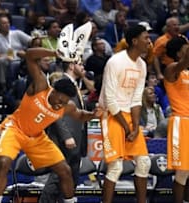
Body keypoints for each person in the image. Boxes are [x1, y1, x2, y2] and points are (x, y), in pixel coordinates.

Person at [0, 47, 102, 203]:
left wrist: (92, 115)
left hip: (37, 137)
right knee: (4, 162)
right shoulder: (40, 85)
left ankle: (70, 202)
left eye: (64, 103)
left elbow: (80, 115)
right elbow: (30, 55)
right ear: (54, 91)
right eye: (59, 100)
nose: (59, 105)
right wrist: (54, 53)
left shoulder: (66, 106)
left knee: (64, 170)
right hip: (15, 129)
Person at [98, 24, 152, 203]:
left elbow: (137, 99)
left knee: (144, 163)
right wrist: (126, 126)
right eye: (146, 38)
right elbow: (110, 99)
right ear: (134, 41)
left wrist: (135, 127)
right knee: (116, 167)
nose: (149, 41)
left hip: (129, 116)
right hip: (110, 114)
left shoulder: (142, 65)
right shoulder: (115, 62)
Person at [40, 60, 89, 202]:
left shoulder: (75, 85)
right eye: (81, 65)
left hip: (77, 141)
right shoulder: (61, 83)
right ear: (72, 66)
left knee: (70, 182)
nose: (83, 68)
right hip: (63, 141)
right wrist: (66, 136)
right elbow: (55, 111)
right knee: (57, 179)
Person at [163, 35, 189, 203]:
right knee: (182, 171)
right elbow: (183, 64)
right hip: (180, 122)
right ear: (180, 53)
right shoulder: (171, 69)